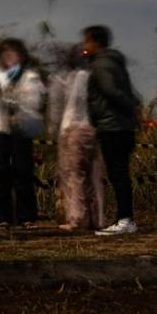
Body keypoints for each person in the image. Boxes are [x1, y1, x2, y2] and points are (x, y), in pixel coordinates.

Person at [82, 25, 141, 236]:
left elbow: (111, 91)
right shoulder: (115, 63)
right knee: (120, 173)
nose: (84, 46)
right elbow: (129, 93)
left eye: (86, 41)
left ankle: (125, 219)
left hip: (112, 126)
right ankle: (126, 218)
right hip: (121, 125)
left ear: (95, 42)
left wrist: (128, 109)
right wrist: (134, 110)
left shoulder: (101, 65)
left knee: (117, 174)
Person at [0, 38, 45, 228]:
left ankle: (26, 217)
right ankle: (2, 217)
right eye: (5, 53)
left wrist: (15, 104)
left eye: (13, 53)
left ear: (21, 56)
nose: (9, 57)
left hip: (21, 129)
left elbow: (34, 101)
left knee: (23, 171)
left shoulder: (30, 77)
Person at [47, 45, 106, 231]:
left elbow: (56, 109)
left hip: (71, 129)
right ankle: (98, 219)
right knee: (95, 177)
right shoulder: (95, 77)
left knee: (74, 176)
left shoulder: (66, 79)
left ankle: (78, 219)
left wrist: (52, 129)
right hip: (94, 130)